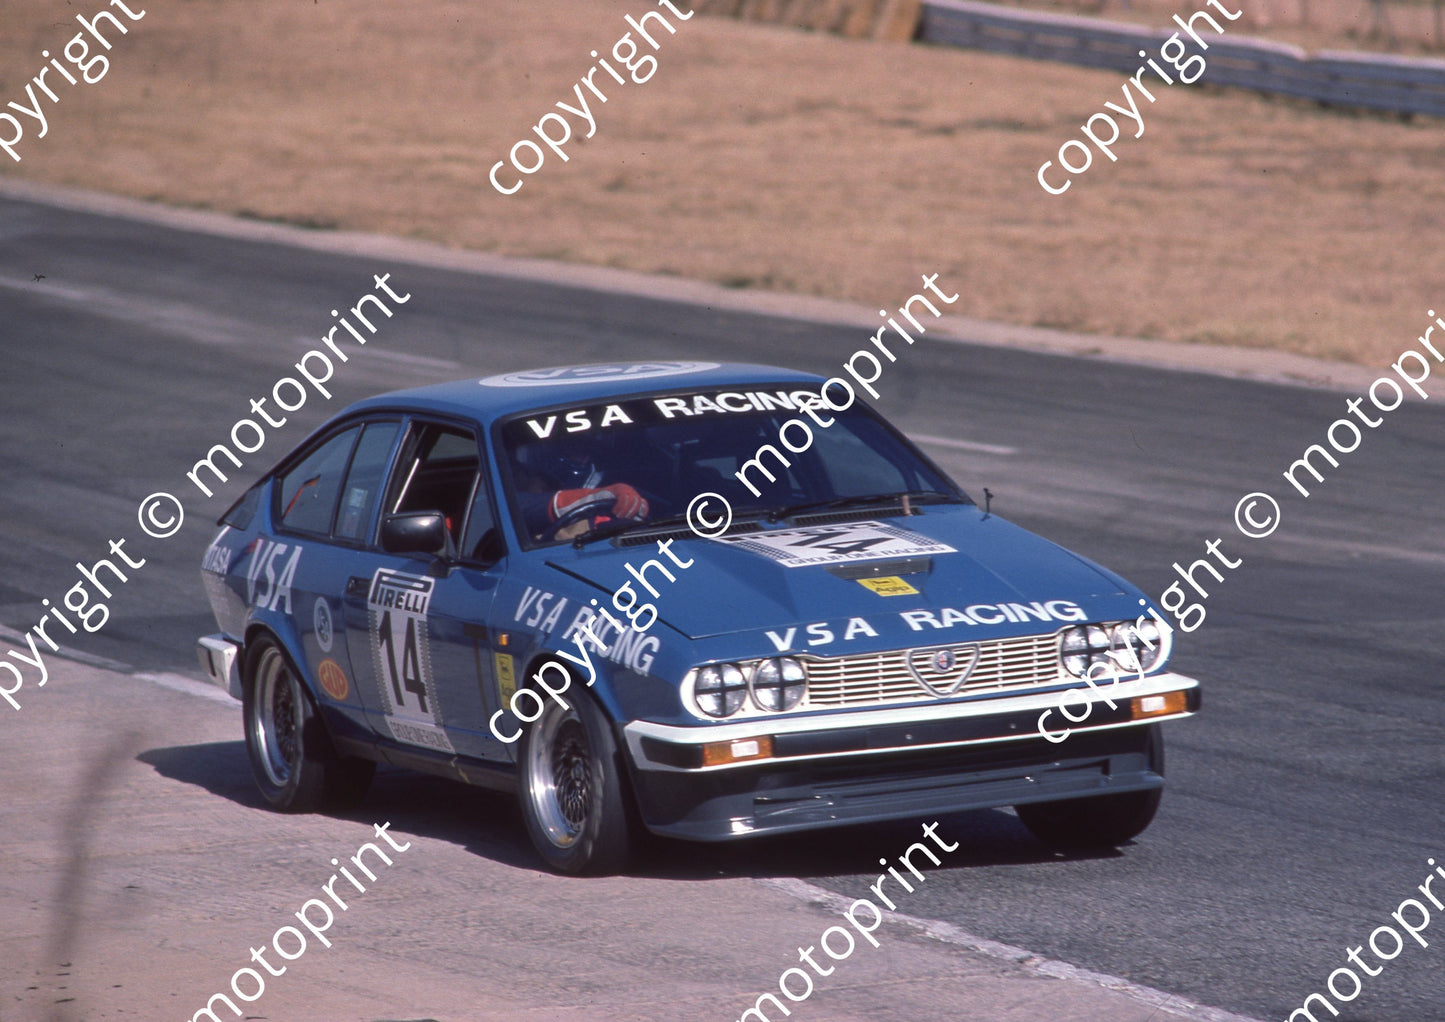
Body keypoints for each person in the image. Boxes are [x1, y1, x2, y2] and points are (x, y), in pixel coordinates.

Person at [515, 440, 649, 540]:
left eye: (586, 445)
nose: (581, 457)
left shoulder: (612, 477)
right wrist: (588, 499)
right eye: (571, 445)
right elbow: (511, 509)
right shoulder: (512, 478)